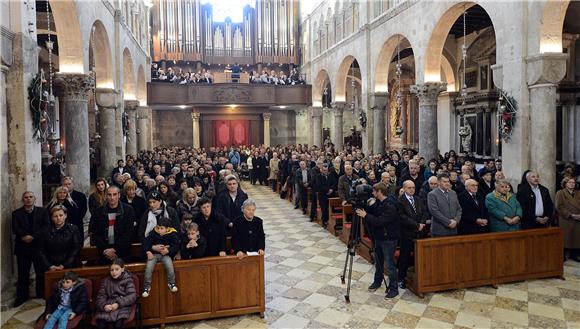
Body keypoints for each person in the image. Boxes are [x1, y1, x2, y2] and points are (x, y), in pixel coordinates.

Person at [355, 183, 399, 298]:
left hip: (388, 238)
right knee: (378, 262)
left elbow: (380, 221)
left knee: (389, 265)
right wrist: (361, 205)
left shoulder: (390, 205)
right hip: (379, 237)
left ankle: (394, 288)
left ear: (379, 191)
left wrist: (365, 216)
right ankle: (377, 281)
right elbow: (371, 210)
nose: (373, 193)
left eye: (374, 192)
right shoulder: (379, 202)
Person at [12, 191, 50, 306]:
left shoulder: (42, 211)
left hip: (38, 246)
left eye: (30, 197)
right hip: (23, 247)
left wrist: (33, 236)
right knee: (23, 272)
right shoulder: (16, 213)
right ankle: (22, 296)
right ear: (23, 200)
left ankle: (41, 293)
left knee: (40, 271)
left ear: (35, 199)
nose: (28, 199)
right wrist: (25, 236)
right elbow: (15, 228)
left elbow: (46, 226)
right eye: (26, 197)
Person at [38, 206, 83, 296]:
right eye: (55, 216)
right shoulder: (45, 231)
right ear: (51, 217)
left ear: (65, 215)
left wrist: (64, 265)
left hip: (70, 265)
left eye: (61, 215)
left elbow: (76, 249)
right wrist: (49, 265)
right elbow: (40, 250)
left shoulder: (73, 229)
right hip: (52, 265)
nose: (58, 218)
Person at [89, 186, 136, 264]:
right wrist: (106, 250)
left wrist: (114, 249)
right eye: (109, 195)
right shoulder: (98, 212)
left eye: (114, 194)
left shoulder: (128, 210)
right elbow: (95, 234)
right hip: (104, 252)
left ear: (119, 195)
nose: (112, 197)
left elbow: (129, 233)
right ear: (106, 196)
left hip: (123, 251)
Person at [397, 181, 428, 289]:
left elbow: (425, 212)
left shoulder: (418, 199)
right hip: (406, 233)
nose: (412, 190)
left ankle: (418, 277)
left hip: (419, 232)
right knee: (404, 257)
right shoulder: (400, 201)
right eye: (409, 188)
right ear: (404, 188)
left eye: (413, 187)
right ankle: (401, 278)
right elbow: (402, 217)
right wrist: (416, 225)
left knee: (418, 255)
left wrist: (422, 224)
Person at [142, 217, 180, 297]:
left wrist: (168, 251)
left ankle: (171, 283)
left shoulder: (172, 234)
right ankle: (146, 287)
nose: (159, 230)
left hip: (165, 255)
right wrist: (148, 251)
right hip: (154, 255)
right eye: (158, 228)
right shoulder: (153, 232)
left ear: (167, 229)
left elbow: (176, 245)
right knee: (148, 268)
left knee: (170, 266)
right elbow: (146, 242)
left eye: (161, 228)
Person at [94, 258, 137, 329]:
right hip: (108, 306)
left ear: (122, 269)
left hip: (122, 306)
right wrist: (104, 306)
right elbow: (100, 297)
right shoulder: (106, 281)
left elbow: (132, 296)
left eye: (117, 269)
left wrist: (118, 304)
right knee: (101, 325)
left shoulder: (128, 280)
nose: (114, 272)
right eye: (112, 270)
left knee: (117, 325)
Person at [555, 177, 580, 262]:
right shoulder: (560, 193)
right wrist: (570, 215)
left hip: (578, 218)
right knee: (566, 238)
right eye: (569, 182)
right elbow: (559, 206)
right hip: (566, 219)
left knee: (576, 238)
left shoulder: (578, 193)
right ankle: (562, 254)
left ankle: (574, 254)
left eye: (573, 182)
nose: (572, 184)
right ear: (565, 183)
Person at [62, 177, 88, 243]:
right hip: (63, 225)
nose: (67, 186)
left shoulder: (81, 196)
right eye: (65, 184)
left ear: (73, 184)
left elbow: (83, 210)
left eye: (69, 184)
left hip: (77, 223)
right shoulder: (60, 196)